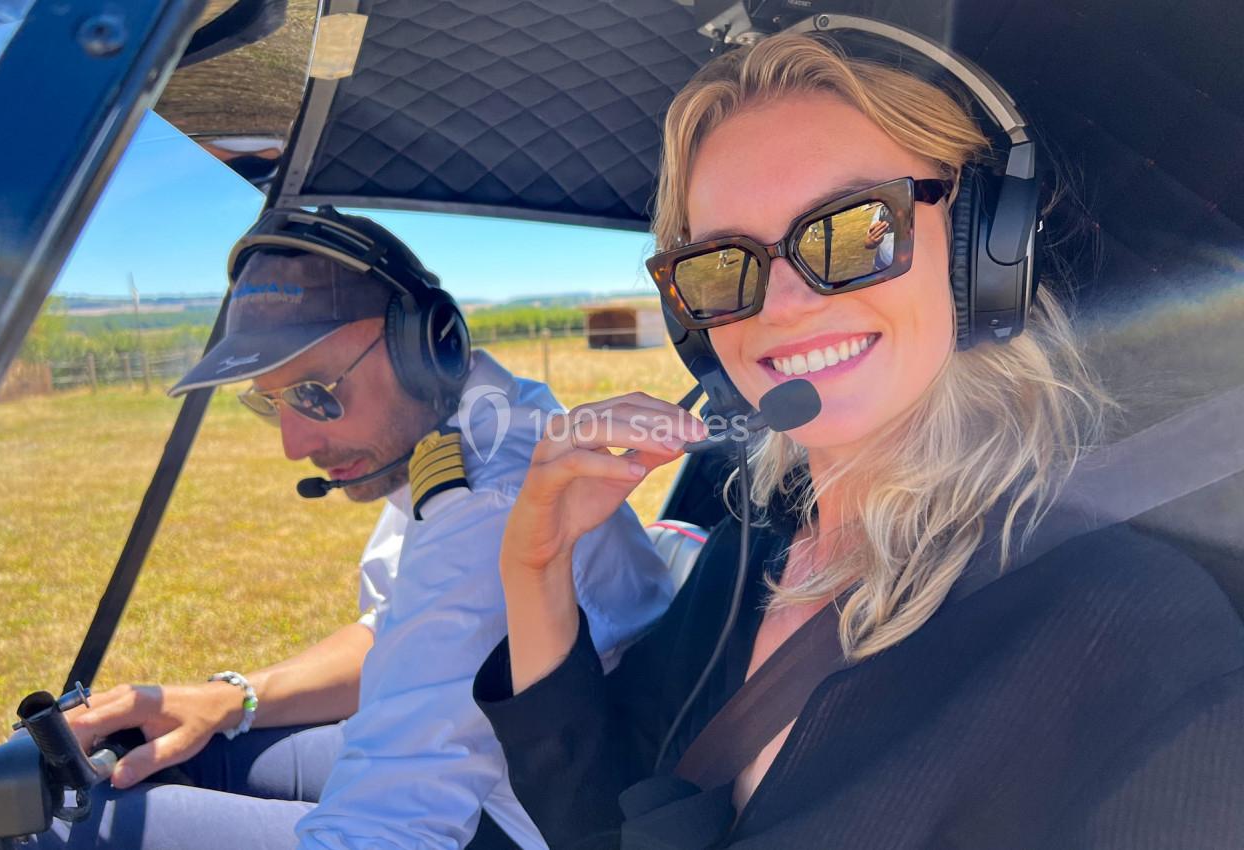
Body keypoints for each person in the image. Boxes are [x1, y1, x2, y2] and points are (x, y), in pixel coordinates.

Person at [473, 33, 1244, 849]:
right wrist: (536, 569)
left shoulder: (1131, 631)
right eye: (721, 264)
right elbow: (597, 824)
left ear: (986, 244)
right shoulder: (747, 560)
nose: (780, 306)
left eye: (853, 230)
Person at [43, 207, 673, 849]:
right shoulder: (471, 433)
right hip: (500, 776)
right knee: (186, 756)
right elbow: (401, 627)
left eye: (316, 393)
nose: (294, 443)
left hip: (515, 820)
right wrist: (233, 698)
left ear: (429, 345)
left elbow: (391, 826)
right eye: (271, 401)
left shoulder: (488, 501)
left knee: (61, 828)